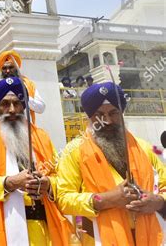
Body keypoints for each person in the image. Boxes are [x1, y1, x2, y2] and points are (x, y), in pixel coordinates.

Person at [56, 82, 165, 245]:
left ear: (122, 113)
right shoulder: (74, 151)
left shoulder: (143, 148)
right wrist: (106, 199)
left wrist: (158, 201)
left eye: (114, 113)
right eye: (99, 114)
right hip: (100, 238)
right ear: (89, 116)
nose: (107, 120)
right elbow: (63, 198)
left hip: (150, 236)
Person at [0, 77, 74, 245]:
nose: (11, 109)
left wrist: (48, 183)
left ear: (24, 106)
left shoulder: (41, 136)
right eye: (5, 103)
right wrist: (10, 182)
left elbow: (60, 177)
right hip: (4, 225)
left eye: (17, 103)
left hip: (44, 227)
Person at [0, 50, 45, 122]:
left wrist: (24, 96)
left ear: (17, 68)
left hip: (25, 130)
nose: (8, 71)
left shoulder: (28, 84)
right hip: (2, 129)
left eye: (11, 67)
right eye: (4, 68)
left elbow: (41, 108)